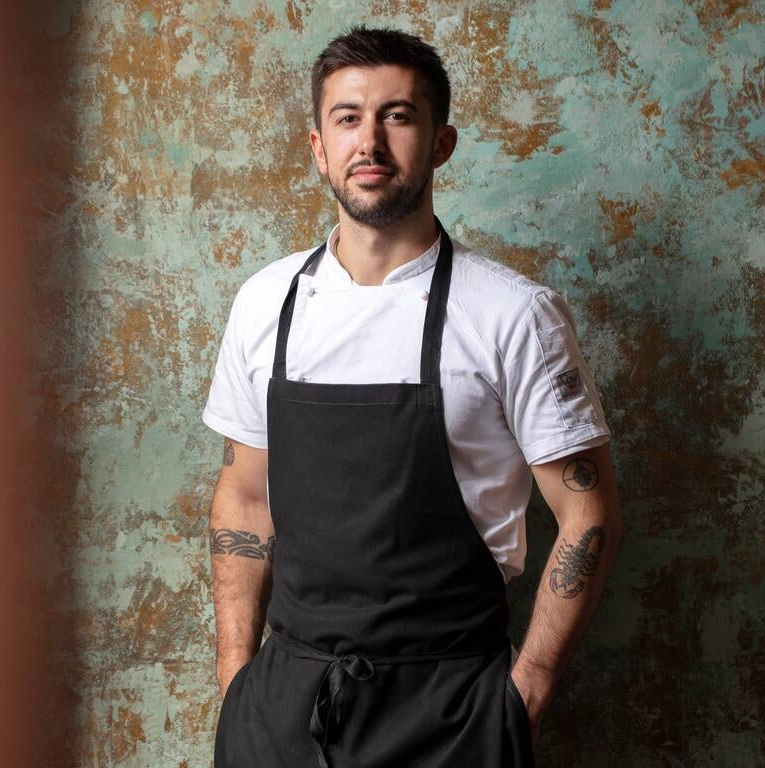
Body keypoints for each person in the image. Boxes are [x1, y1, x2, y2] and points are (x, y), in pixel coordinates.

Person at [202, 24, 622, 768]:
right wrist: (238, 680)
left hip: (453, 714)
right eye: (348, 118)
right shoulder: (264, 303)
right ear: (317, 147)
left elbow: (588, 512)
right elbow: (243, 496)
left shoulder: (512, 314)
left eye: (397, 116)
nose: (370, 142)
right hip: (284, 712)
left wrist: (524, 690)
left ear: (440, 144)